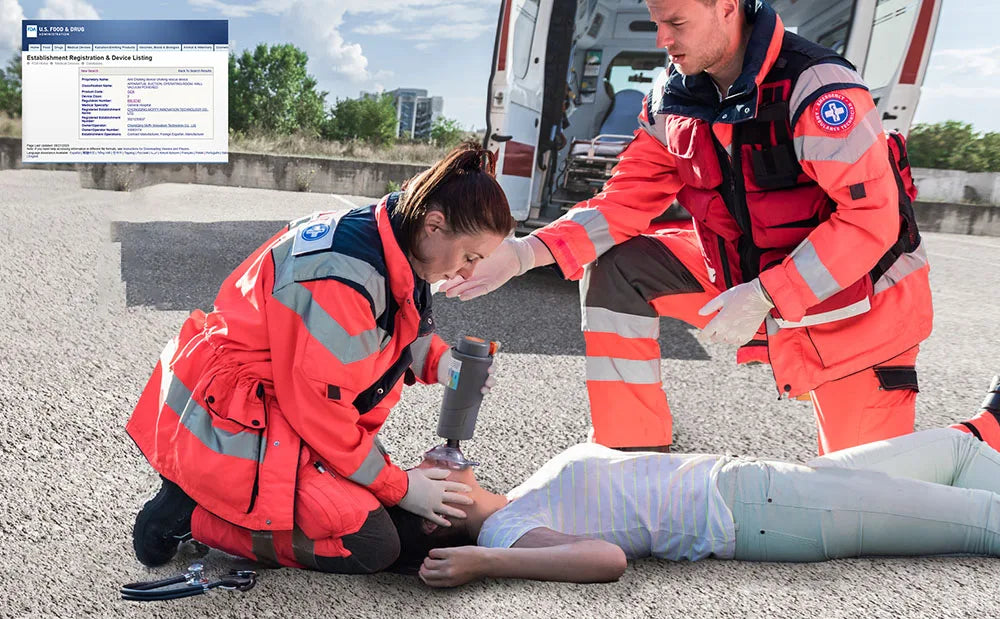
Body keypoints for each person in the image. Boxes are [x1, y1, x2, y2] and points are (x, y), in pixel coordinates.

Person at [440, 0, 933, 455]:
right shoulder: (672, 100)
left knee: (864, 501)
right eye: (657, 22)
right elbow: (623, 202)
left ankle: (984, 432)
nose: (662, 39)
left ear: (725, 8)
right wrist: (525, 254)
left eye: (676, 23)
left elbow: (870, 219)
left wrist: (768, 293)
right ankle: (630, 454)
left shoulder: (818, 88)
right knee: (620, 266)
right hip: (742, 278)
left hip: (857, 308)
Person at [125, 143, 515, 574]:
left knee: (365, 510)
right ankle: (188, 515)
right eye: (470, 257)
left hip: (282, 409)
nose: (468, 273)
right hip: (239, 420)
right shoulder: (344, 275)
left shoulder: (399, 238)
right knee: (372, 543)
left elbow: (399, 325)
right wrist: (401, 487)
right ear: (435, 225)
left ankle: (250, 516)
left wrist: (440, 362)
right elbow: (320, 410)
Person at [388, 376, 1000, 587]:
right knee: (980, 522)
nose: (430, 457)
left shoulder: (523, 494)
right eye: (419, 478)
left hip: (768, 480)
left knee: (954, 447)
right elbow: (606, 560)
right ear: (434, 518)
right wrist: (481, 562)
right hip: (764, 512)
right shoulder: (507, 531)